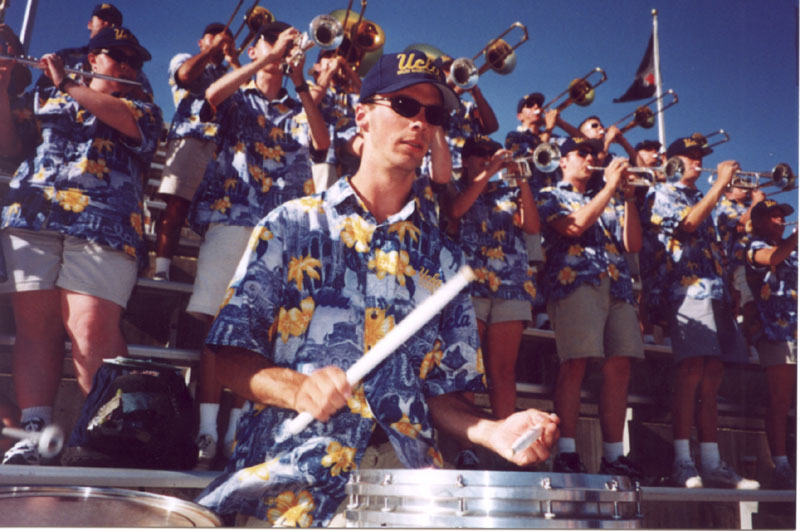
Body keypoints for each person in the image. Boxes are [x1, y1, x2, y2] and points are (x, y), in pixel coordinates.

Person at [193, 50, 559, 527]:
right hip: (291, 481)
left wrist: (493, 430)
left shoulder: (445, 262)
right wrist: (298, 388)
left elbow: (445, 398)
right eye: (406, 107)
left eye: (434, 115)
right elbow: (230, 358)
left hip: (407, 491)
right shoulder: (290, 224)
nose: (421, 124)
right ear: (362, 118)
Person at [0, 26, 163, 465]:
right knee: (35, 326)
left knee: (91, 329)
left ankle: (104, 434)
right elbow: (9, 146)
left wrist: (68, 85)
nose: (128, 65)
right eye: (118, 56)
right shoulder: (43, 98)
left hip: (105, 221)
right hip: (32, 213)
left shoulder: (142, 105)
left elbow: (128, 125)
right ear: (92, 58)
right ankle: (35, 436)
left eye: (134, 60)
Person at [185, 21, 329, 468]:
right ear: (253, 50)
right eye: (273, 40)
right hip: (233, 217)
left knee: (263, 334)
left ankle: (236, 434)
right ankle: (207, 432)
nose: (285, 45)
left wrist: (301, 80)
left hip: (284, 231)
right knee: (216, 328)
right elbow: (209, 97)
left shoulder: (297, 103)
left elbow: (322, 143)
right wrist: (266, 62)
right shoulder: (238, 93)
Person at [640, 135, 759, 489]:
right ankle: (682, 460)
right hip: (685, 289)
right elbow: (687, 225)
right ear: (674, 160)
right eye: (691, 156)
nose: (698, 162)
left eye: (700, 156)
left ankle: (711, 461)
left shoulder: (702, 197)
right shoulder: (660, 192)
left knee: (713, 376)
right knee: (691, 371)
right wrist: (721, 185)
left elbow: (727, 236)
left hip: (717, 291)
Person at [536, 137, 644, 478]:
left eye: (592, 153)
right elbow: (573, 226)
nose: (590, 158)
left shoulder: (609, 198)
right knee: (575, 363)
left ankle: (613, 455)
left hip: (617, 284)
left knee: (620, 368)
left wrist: (627, 199)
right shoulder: (550, 194)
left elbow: (633, 245)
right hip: (575, 282)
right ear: (562, 161)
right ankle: (567, 452)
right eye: (581, 153)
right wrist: (610, 187)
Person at [444, 135, 538, 424]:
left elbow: (532, 227)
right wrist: (491, 170)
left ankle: (506, 445)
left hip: (511, 285)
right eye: (480, 153)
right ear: (464, 160)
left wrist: (521, 181)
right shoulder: (453, 186)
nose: (488, 156)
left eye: (492, 152)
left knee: (503, 371)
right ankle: (467, 448)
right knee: (467, 367)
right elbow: (456, 210)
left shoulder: (507, 191)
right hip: (468, 285)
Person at [152, 22, 238, 281]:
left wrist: (233, 61)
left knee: (213, 216)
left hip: (221, 149)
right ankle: (161, 270)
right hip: (190, 137)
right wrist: (210, 52)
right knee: (176, 206)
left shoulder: (228, 70)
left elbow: (249, 96)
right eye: (212, 36)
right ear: (201, 42)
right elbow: (186, 76)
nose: (221, 41)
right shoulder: (184, 58)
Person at [745, 199, 797, 489]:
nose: (779, 221)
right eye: (773, 217)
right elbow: (773, 258)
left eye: (782, 216)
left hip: (796, 328)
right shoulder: (752, 245)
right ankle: (782, 464)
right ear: (759, 222)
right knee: (780, 400)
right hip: (776, 330)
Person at [34, 4, 155, 102]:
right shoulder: (67, 56)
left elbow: (146, 101)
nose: (109, 24)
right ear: (90, 24)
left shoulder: (132, 66)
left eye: (114, 21)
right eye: (103, 19)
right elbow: (41, 92)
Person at [307, 50, 361, 192]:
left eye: (336, 55)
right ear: (317, 66)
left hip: (352, 163)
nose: (335, 58)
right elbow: (309, 103)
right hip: (324, 159)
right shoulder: (309, 87)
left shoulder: (350, 95)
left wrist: (348, 69)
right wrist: (329, 72)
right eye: (328, 56)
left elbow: (370, 103)